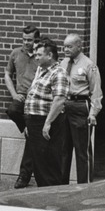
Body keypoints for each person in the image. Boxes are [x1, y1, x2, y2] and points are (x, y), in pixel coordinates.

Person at [24, 39, 69, 187]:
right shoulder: (41, 71)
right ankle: (42, 192)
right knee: (39, 161)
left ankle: (50, 195)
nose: (36, 57)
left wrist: (48, 123)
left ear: (49, 56)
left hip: (46, 121)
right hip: (35, 121)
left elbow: (59, 100)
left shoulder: (58, 73)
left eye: (39, 55)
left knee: (48, 161)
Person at [59, 33, 103, 184]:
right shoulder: (63, 63)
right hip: (65, 106)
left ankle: (84, 186)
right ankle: (62, 185)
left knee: (82, 151)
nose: (66, 50)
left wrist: (93, 113)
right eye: (64, 46)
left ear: (79, 46)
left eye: (69, 47)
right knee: (63, 149)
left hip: (80, 106)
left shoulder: (89, 65)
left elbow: (96, 91)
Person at [4, 23, 41, 188]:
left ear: (36, 39)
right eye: (24, 39)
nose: (26, 43)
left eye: (30, 40)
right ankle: (26, 128)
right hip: (21, 98)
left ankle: (23, 177)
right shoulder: (15, 53)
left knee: (31, 140)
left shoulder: (41, 55)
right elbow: (7, 74)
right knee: (12, 110)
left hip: (36, 99)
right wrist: (13, 94)